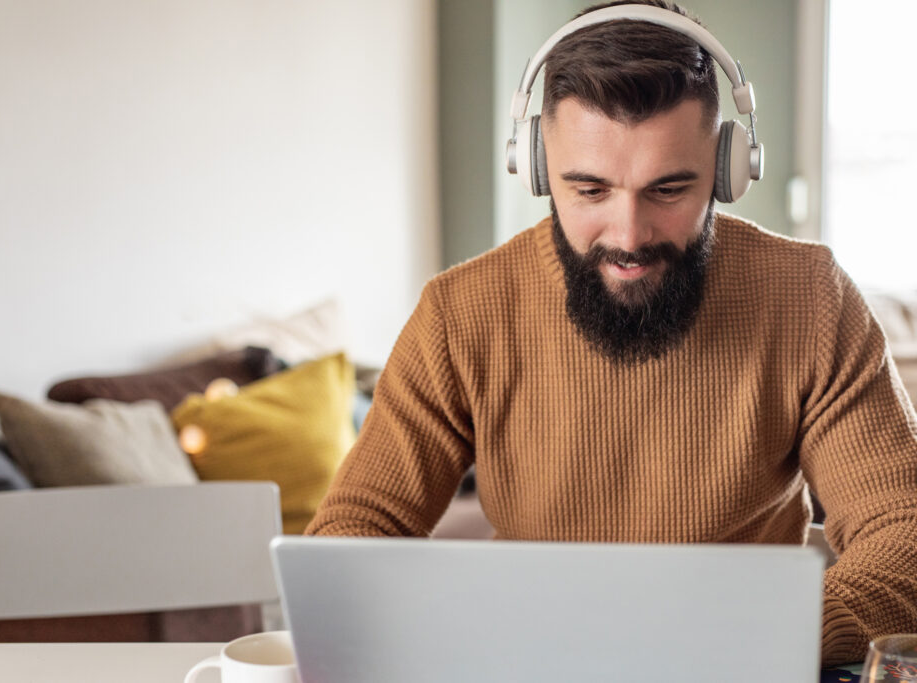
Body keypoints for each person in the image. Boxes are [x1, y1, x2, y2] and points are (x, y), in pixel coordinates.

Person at [305, 0, 917, 666]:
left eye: (669, 188)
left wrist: (758, 635)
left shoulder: (811, 299)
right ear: (538, 167)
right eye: (590, 190)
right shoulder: (459, 314)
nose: (628, 236)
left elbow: (903, 534)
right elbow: (349, 541)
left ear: (728, 168)